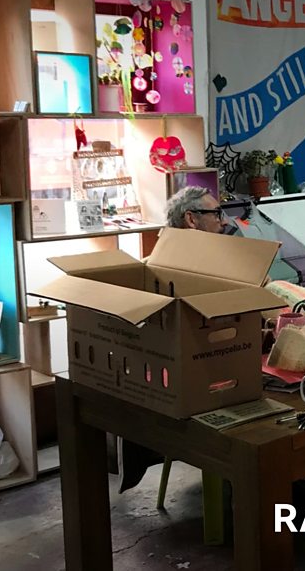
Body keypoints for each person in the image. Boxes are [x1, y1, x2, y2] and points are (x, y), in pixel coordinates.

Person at [118, 187, 232, 492]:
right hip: (192, 378)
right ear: (191, 220)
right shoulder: (166, 269)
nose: (223, 221)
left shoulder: (200, 261)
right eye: (216, 214)